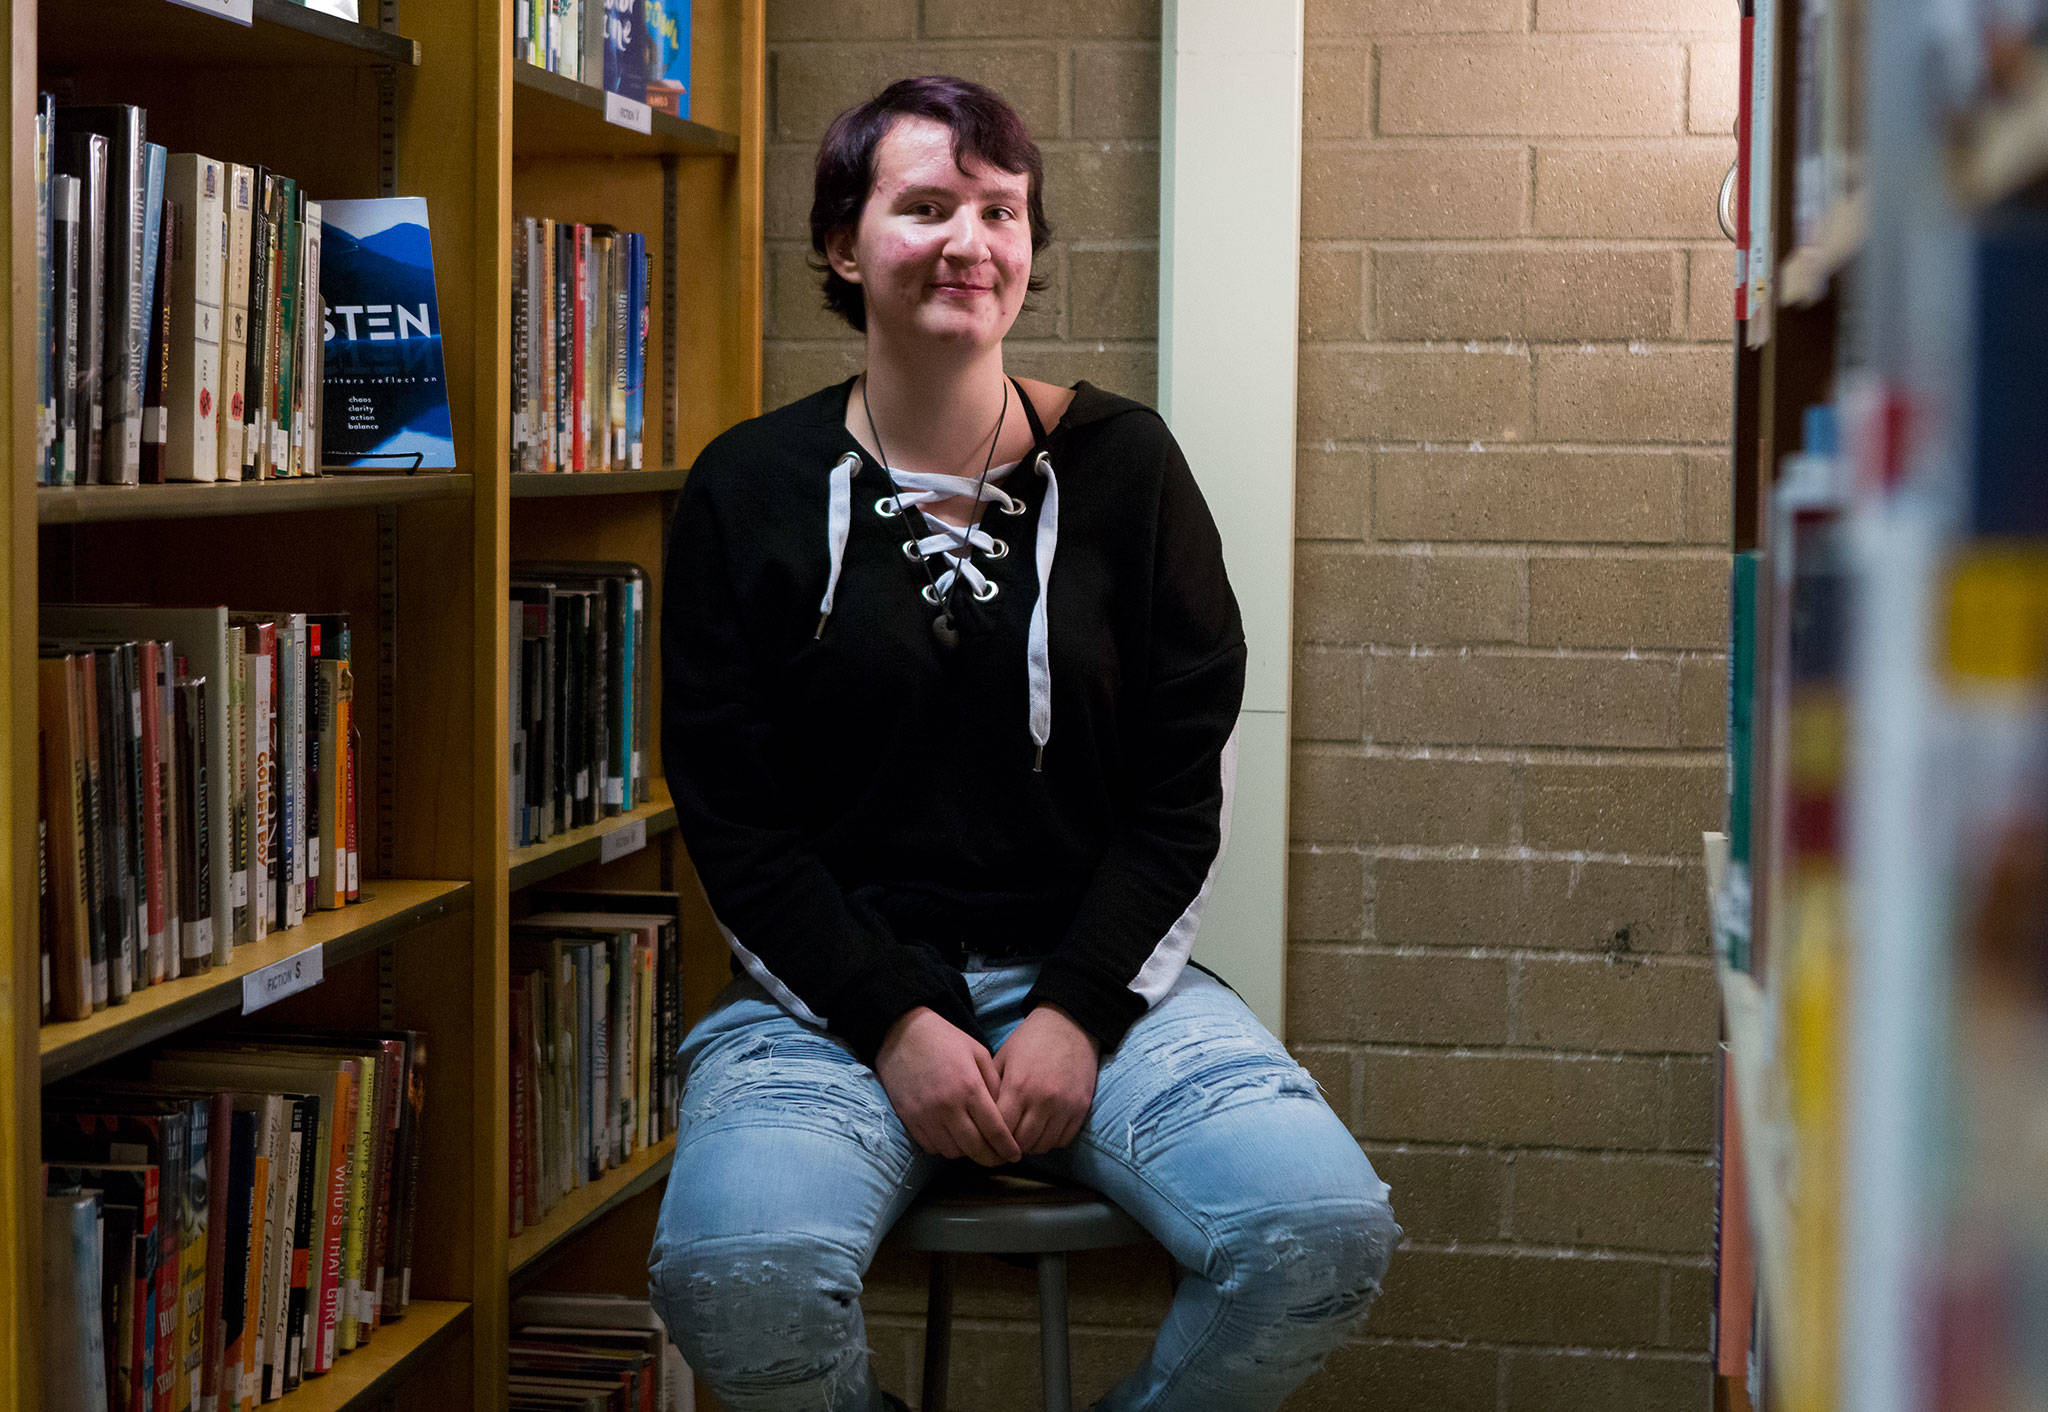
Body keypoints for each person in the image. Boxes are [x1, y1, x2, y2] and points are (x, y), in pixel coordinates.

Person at [648, 75, 1399, 1412]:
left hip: (1101, 995)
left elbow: (1188, 793)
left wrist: (1079, 1010)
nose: (969, 243)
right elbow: (733, 821)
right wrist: (890, 1019)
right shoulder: (745, 489)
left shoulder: (1130, 469)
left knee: (1319, 1238)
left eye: (1001, 211)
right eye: (924, 205)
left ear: (1032, 245)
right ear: (842, 241)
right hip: (825, 1012)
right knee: (734, 1276)